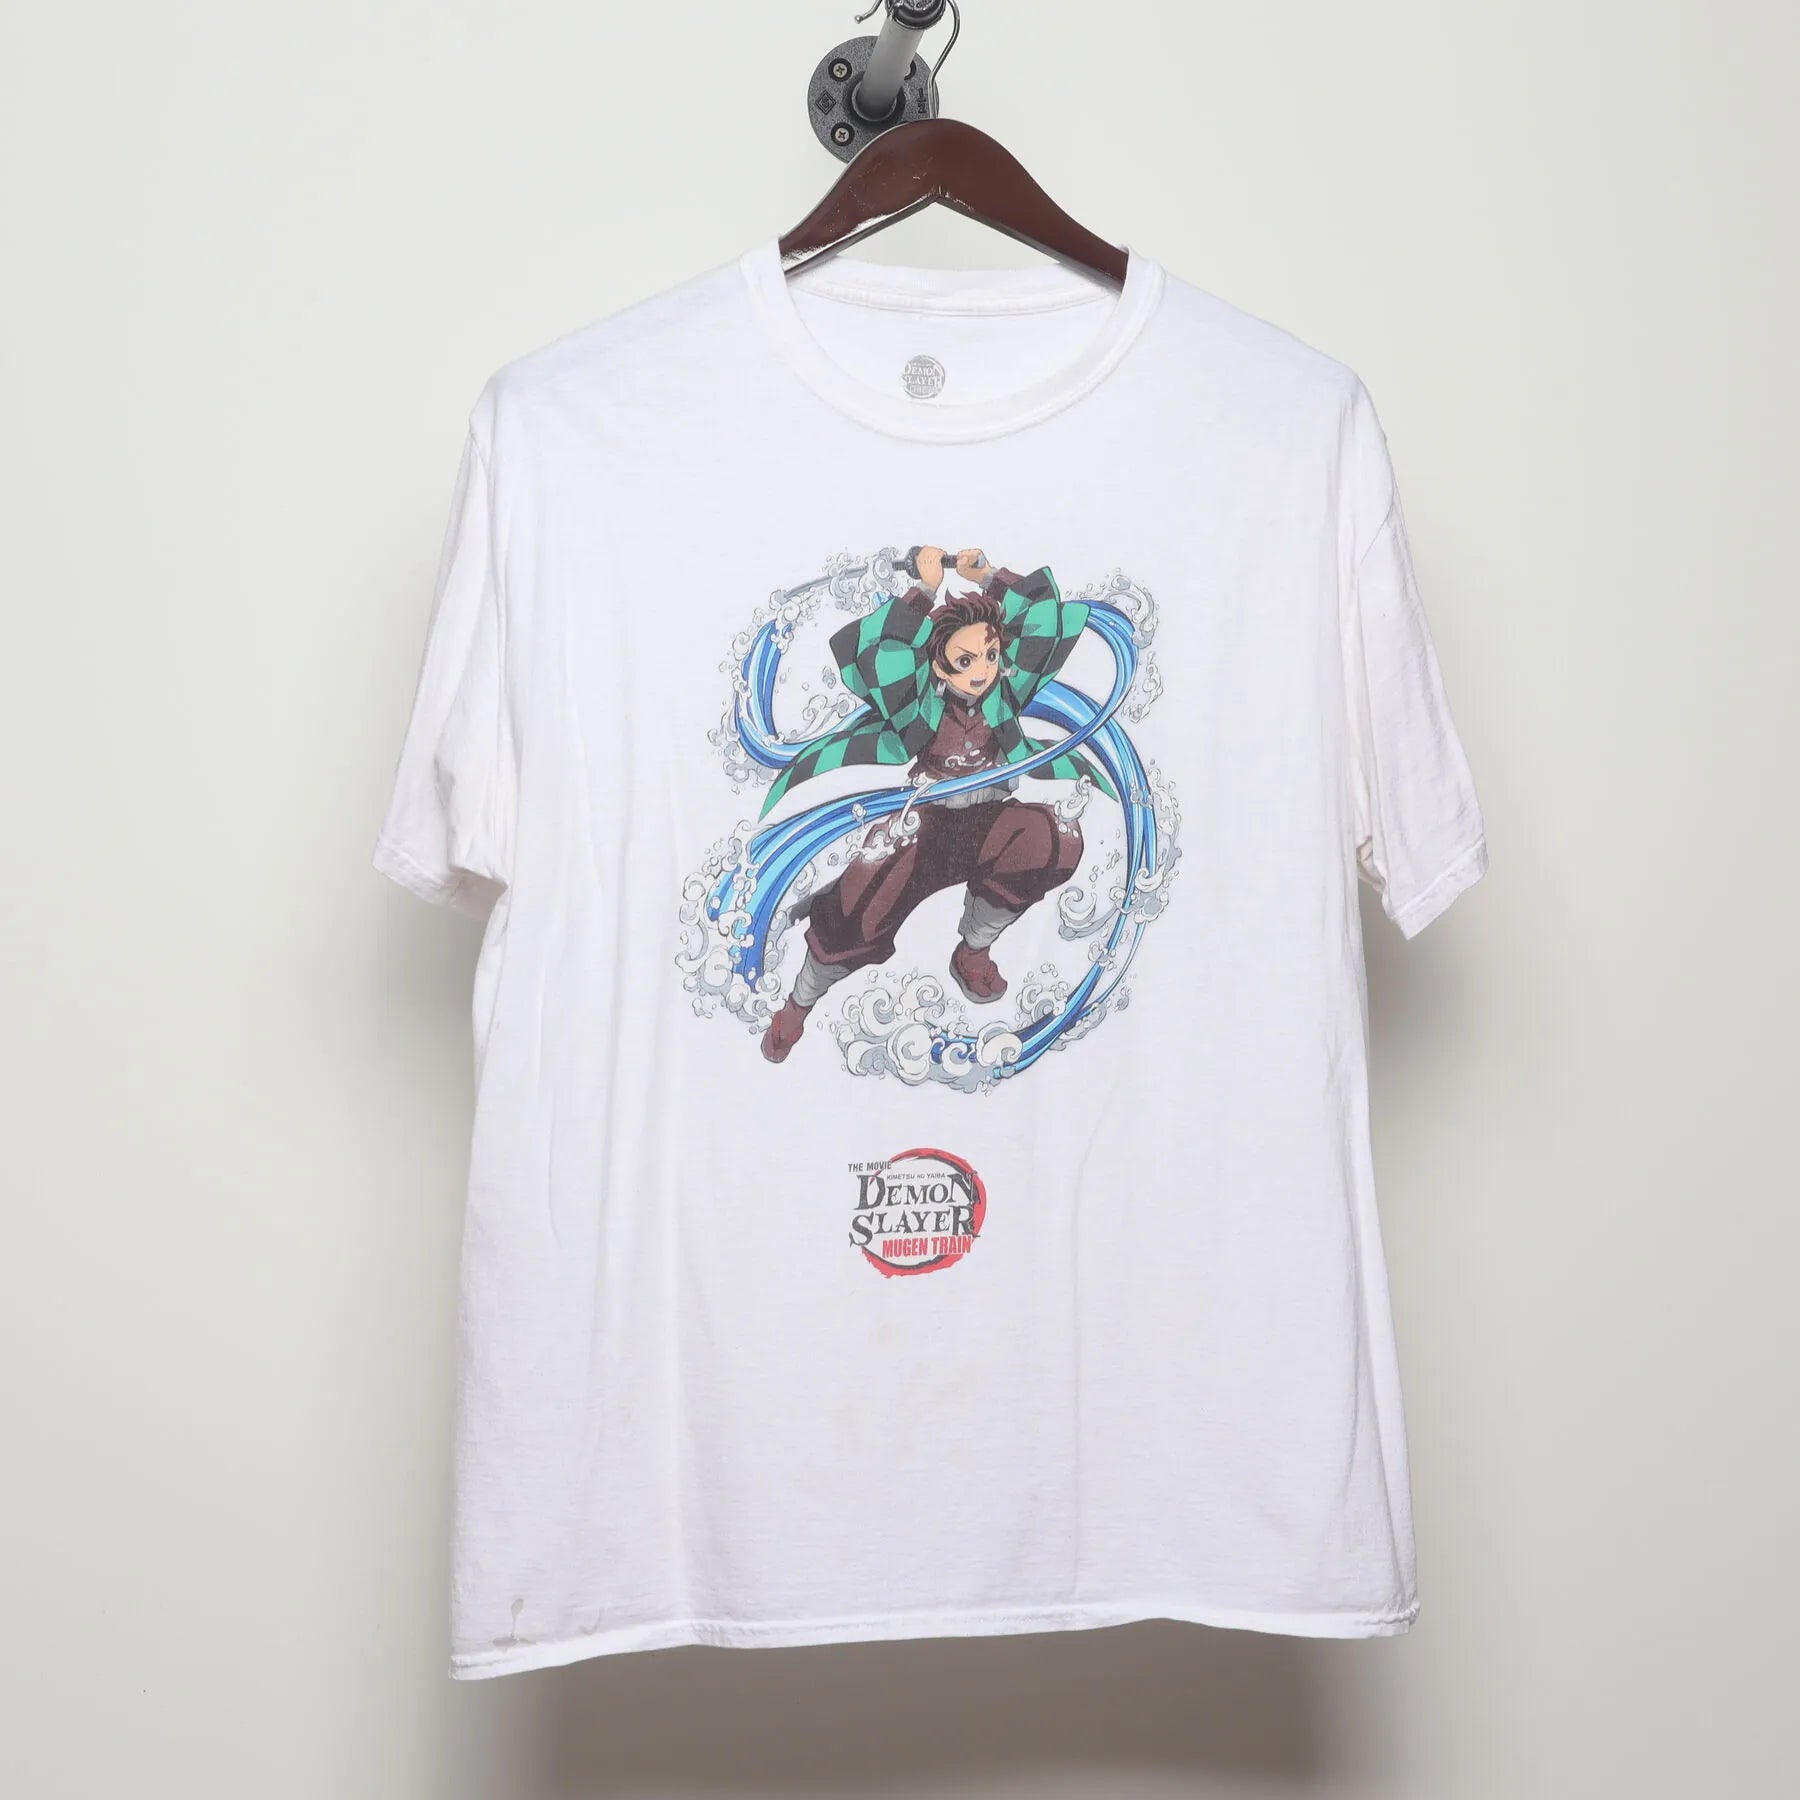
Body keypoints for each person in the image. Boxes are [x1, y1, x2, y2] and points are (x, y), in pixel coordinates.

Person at [760, 546, 1112, 1064]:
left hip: (988, 824)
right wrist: (922, 592)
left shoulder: (1005, 693)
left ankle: (973, 950)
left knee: (1053, 838)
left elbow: (1043, 615)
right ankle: (798, 1003)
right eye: (965, 661)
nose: (982, 670)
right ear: (940, 667)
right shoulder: (918, 703)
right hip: (925, 829)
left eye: (989, 655)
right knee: (860, 902)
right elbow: (879, 654)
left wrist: (989, 576)